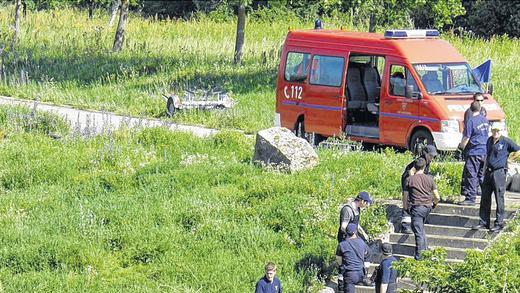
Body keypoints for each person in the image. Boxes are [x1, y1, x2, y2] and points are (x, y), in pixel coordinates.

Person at [472, 122, 520, 232]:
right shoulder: (489, 140)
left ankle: (499, 223)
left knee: (499, 198)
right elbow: (487, 156)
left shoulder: (506, 141)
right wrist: (483, 172)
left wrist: (510, 159)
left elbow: (517, 149)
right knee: (485, 197)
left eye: (497, 131)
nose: (495, 132)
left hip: (499, 172)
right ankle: (484, 222)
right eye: (494, 130)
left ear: (501, 131)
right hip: (489, 172)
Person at [407, 158, 440, 260]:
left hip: (417, 208)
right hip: (427, 207)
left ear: (414, 167)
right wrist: (434, 205)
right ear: (424, 167)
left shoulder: (410, 180)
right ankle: (425, 251)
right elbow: (437, 197)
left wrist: (405, 208)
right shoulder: (430, 179)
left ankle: (419, 257)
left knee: (418, 233)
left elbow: (405, 196)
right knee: (420, 229)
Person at [400, 145, 438, 234]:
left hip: (413, 181)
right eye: (431, 155)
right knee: (408, 200)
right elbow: (411, 171)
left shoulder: (427, 160)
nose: (432, 157)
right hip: (408, 179)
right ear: (425, 153)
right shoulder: (422, 160)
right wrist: (414, 182)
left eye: (433, 156)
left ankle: (418, 220)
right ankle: (405, 225)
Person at [458, 101, 489, 205]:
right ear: (480, 109)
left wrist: (461, 146)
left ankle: (471, 198)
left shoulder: (471, 121)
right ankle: (486, 197)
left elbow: (467, 137)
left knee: (471, 174)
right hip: (484, 151)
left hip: (474, 152)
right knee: (481, 175)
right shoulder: (485, 120)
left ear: (470, 109)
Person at [336, 223, 370, 293]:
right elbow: (367, 253)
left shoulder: (342, 244)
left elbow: (339, 260)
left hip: (350, 274)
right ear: (355, 232)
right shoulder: (362, 242)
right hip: (361, 272)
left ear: (346, 232)